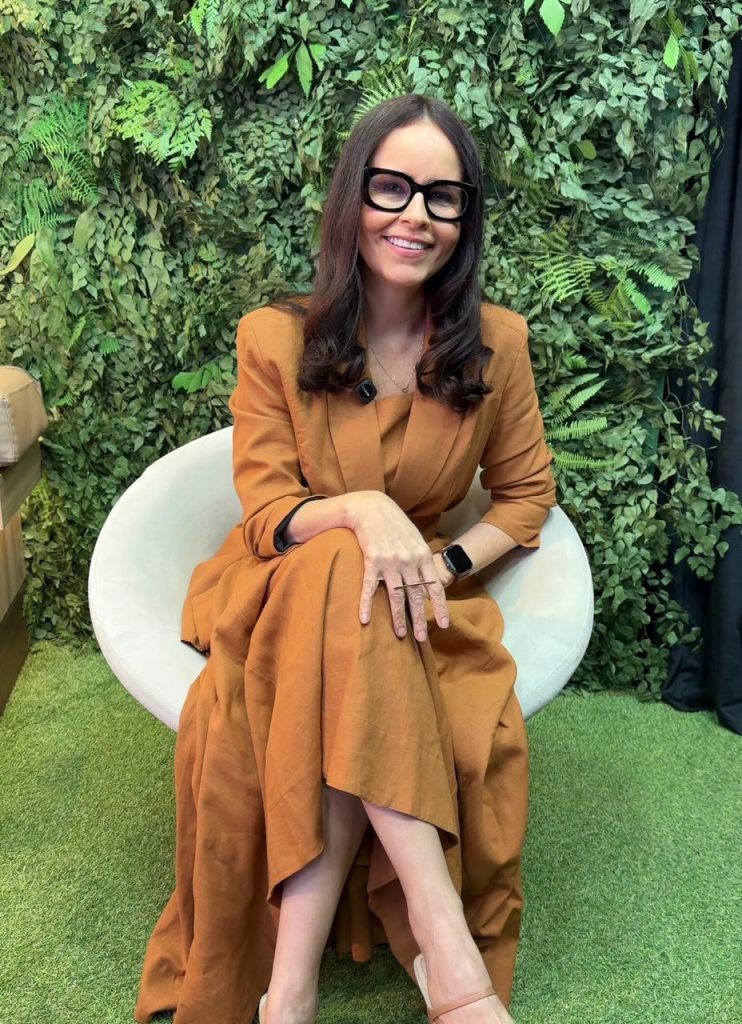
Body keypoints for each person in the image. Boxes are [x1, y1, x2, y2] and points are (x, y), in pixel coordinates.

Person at [134, 93, 557, 1024]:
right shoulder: (274, 337)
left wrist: (441, 566)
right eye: (391, 187)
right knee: (337, 563)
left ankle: (288, 993)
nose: (417, 215)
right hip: (283, 584)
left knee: (357, 605)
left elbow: (527, 498)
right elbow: (269, 514)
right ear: (352, 198)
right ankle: (447, 951)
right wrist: (364, 510)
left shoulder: (498, 344)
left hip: (418, 600)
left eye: (443, 196)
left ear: (465, 216)